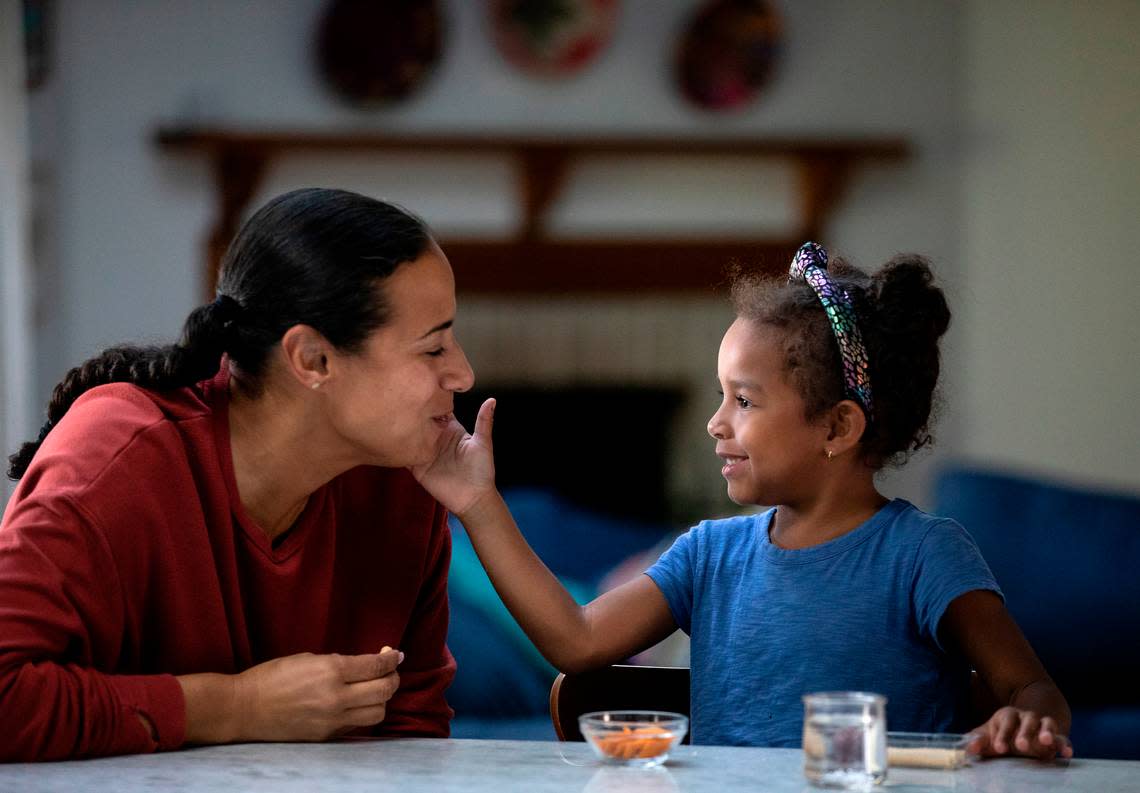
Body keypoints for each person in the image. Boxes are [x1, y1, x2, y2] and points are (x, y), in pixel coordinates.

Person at [415, 242, 1074, 760]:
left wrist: (1028, 717)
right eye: (720, 394)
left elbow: (1032, 688)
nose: (715, 421)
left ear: (838, 427)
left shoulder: (925, 554)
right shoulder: (708, 553)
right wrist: (478, 502)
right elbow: (577, 638)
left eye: (745, 399)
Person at [0, 188, 475, 761]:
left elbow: (414, 735)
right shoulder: (115, 461)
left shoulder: (400, 481)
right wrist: (238, 706)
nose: (464, 374)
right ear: (313, 360)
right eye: (433, 349)